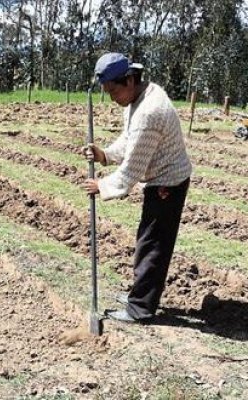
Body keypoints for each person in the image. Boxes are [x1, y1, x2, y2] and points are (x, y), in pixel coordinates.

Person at [82, 52, 192, 323]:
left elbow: (132, 171)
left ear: (130, 79)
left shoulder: (149, 112)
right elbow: (130, 139)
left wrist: (102, 185)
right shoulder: (142, 97)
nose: (111, 98)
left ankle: (140, 308)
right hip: (161, 177)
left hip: (168, 182)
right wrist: (105, 155)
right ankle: (139, 294)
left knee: (153, 244)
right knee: (147, 239)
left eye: (113, 91)